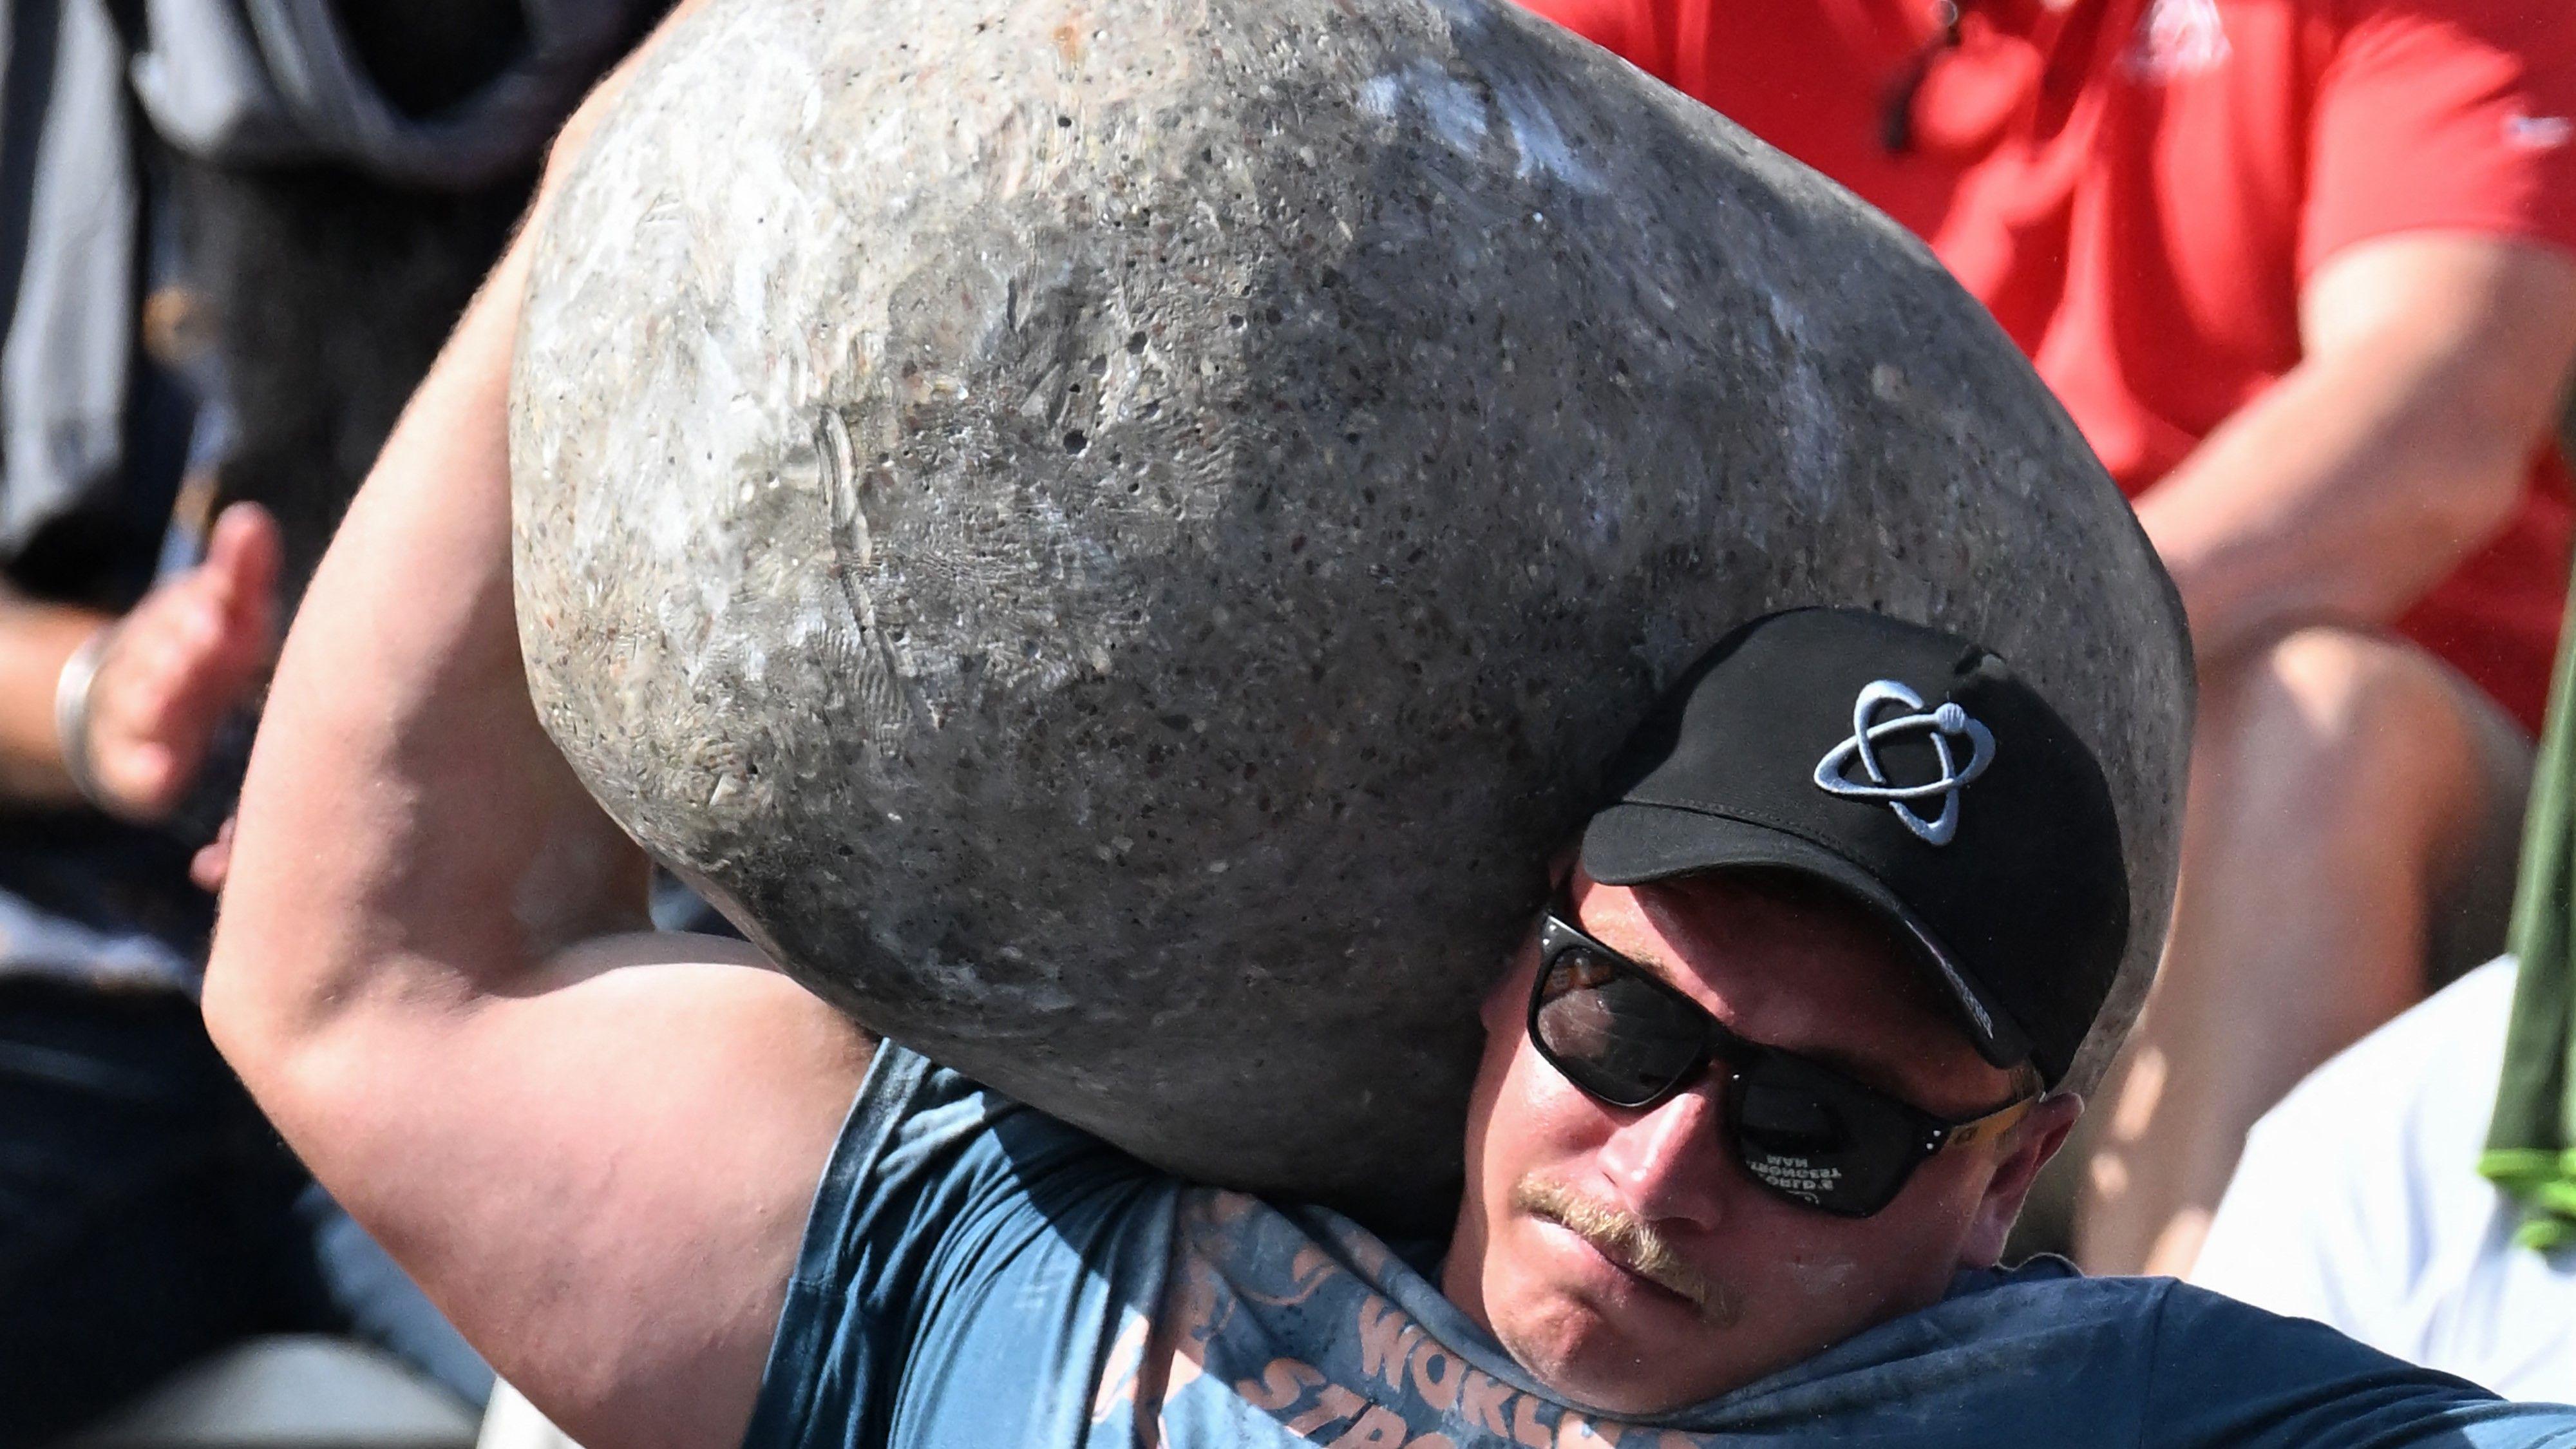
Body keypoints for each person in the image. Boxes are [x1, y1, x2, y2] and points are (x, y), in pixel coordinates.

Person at [202, 33, 2576, 1445]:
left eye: (1822, 1131)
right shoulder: (1034, 1279)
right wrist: (671, 116)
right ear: (1503, 963)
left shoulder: (2130, 1411)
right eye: (1619, 1020)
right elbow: (358, 980)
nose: (1660, 1172)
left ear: (2008, 1180)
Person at [1509, 0, 2576, 1276]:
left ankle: (2173, 1374)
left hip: (2364, 828)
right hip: (1849, 778)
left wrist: (1972, 685)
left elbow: (2430, 428)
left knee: (2307, 721)